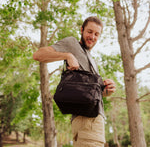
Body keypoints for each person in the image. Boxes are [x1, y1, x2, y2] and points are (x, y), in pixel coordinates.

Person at [33, 16, 116, 147]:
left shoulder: (92, 60)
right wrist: (67, 55)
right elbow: (38, 55)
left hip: (92, 121)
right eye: (89, 32)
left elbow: (90, 95)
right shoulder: (72, 43)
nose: (92, 37)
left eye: (96, 34)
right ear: (82, 30)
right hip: (87, 122)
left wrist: (106, 91)